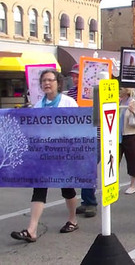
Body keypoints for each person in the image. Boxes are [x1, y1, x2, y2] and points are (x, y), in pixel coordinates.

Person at [11, 70, 79, 243]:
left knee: (67, 189)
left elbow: (78, 126)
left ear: (58, 82)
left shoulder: (68, 102)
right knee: (39, 188)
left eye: (50, 80)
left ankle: (73, 219)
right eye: (44, 81)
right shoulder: (38, 105)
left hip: (63, 153)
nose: (47, 83)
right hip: (44, 153)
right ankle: (31, 229)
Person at [67, 64, 98, 218]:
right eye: (73, 76)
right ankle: (86, 201)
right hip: (77, 136)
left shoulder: (94, 91)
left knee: (88, 167)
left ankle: (91, 202)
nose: (74, 79)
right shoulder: (71, 93)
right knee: (80, 169)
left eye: (77, 76)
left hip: (95, 136)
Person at [119, 87, 135, 194]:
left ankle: (133, 185)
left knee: (132, 160)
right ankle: (114, 183)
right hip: (118, 136)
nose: (119, 91)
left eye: (121, 89)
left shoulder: (134, 102)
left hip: (131, 135)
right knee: (113, 161)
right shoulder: (118, 102)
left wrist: (133, 111)